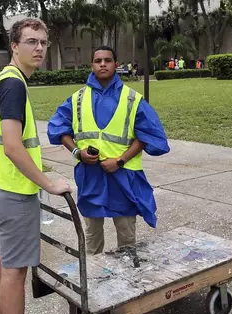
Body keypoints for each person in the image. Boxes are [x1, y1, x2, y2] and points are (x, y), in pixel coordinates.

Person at [0, 17, 71, 314]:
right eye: (31, 41)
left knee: (2, 262)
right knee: (14, 271)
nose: (39, 48)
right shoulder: (13, 85)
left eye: (43, 43)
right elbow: (15, 147)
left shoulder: (5, 80)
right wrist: (47, 183)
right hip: (13, 189)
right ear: (14, 46)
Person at [48, 45, 170, 255]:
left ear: (116, 65)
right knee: (93, 239)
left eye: (107, 60)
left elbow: (146, 135)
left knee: (126, 237)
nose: (102, 64)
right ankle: (94, 281)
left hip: (123, 177)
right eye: (98, 61)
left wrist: (120, 161)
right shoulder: (77, 99)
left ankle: (129, 281)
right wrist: (78, 153)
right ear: (92, 65)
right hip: (91, 176)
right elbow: (59, 129)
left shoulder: (132, 99)